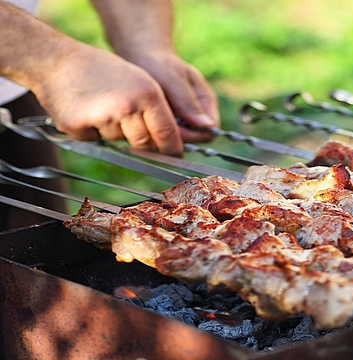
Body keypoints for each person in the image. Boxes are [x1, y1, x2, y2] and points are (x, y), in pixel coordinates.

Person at [0, 0, 220, 230]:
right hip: (29, 68)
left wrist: (146, 46)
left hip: (12, 94)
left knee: (31, 242)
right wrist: (57, 64)